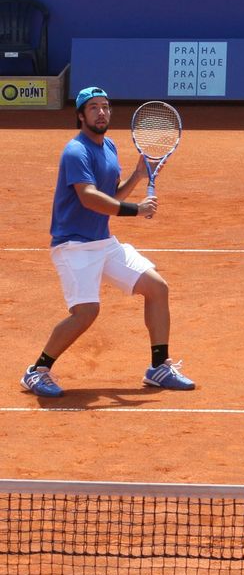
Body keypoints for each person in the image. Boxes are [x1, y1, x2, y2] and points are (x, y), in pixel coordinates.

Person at [20, 86, 195, 397]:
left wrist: (138, 176)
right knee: (86, 312)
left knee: (157, 288)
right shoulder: (76, 151)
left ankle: (158, 367)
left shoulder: (109, 146)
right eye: (93, 108)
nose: (101, 113)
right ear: (80, 115)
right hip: (74, 246)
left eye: (105, 107)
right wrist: (136, 210)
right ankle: (37, 371)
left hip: (103, 242)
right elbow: (88, 199)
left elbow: (110, 198)